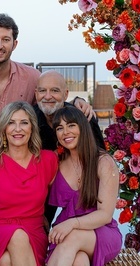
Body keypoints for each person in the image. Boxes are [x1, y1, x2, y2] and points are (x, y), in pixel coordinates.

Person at [0, 13, 94, 153]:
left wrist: (76, 102)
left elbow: (51, 100)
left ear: (14, 44)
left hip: (21, 166)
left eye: (6, 39)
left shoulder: (32, 78)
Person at [0, 101, 58, 266]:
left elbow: (66, 196)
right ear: (4, 128)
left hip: (34, 231)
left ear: (32, 127)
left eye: (24, 123)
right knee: (18, 235)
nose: (17, 129)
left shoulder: (48, 160)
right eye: (11, 123)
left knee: (6, 261)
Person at [46, 106, 122, 266]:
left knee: (72, 238)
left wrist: (72, 224)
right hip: (66, 233)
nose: (65, 132)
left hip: (101, 232)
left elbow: (105, 215)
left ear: (83, 127)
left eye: (71, 125)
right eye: (60, 128)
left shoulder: (103, 162)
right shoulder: (57, 163)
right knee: (79, 260)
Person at [34, 70, 105, 227]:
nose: (47, 96)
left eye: (54, 90)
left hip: (78, 188)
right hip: (42, 188)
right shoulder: (29, 119)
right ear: (36, 93)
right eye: (42, 91)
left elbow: (99, 158)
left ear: (66, 94)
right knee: (39, 231)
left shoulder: (82, 117)